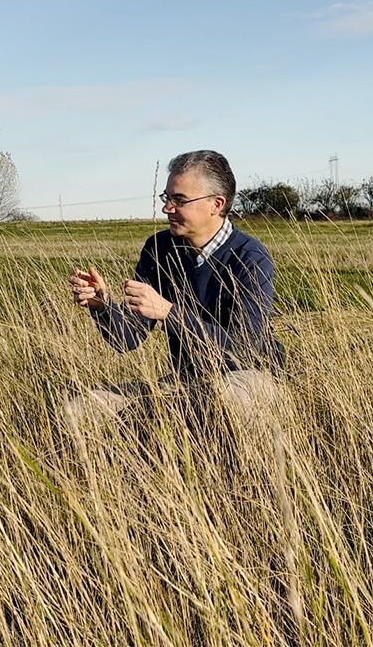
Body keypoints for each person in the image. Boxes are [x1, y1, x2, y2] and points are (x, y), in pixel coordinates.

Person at [65, 150, 286, 439]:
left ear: (216, 204)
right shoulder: (159, 249)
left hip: (251, 379)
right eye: (166, 198)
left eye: (179, 200)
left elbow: (245, 347)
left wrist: (170, 313)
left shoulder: (249, 256)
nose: (167, 209)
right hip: (186, 381)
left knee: (224, 402)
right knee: (80, 410)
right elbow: (128, 340)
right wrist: (102, 306)